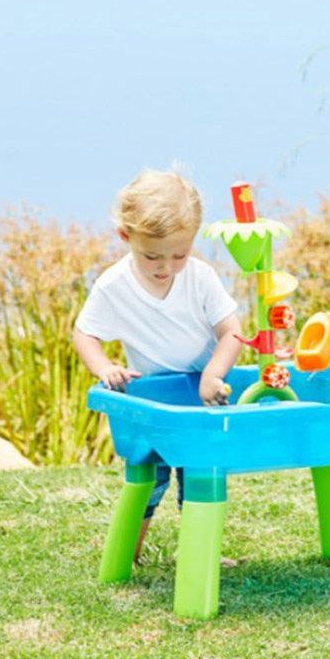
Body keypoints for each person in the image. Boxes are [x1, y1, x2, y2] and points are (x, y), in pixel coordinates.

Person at [73, 169, 242, 564]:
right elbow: (85, 334)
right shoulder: (114, 285)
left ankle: (201, 555)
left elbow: (232, 331)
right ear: (126, 237)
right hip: (150, 401)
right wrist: (103, 367)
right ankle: (127, 554)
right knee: (148, 478)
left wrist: (212, 375)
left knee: (202, 477)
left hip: (200, 398)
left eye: (179, 254)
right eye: (152, 256)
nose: (166, 266)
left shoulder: (199, 278)